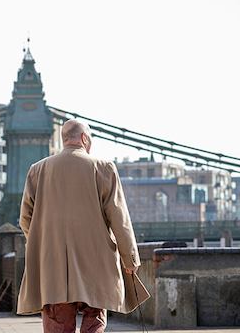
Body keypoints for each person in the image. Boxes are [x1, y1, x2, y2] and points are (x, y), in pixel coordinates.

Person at [17, 119, 149, 333]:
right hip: (96, 261)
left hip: (53, 264)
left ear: (64, 139)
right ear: (85, 138)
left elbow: (25, 218)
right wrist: (130, 258)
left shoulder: (37, 170)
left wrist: (43, 245)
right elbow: (119, 218)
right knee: (94, 319)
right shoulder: (104, 168)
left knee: (57, 322)